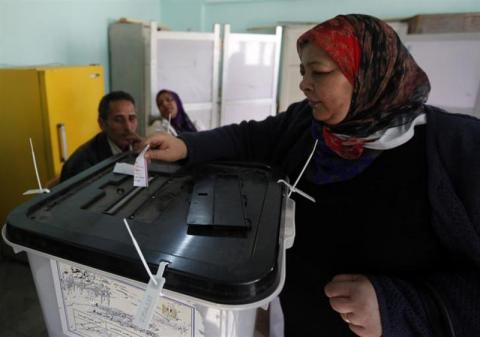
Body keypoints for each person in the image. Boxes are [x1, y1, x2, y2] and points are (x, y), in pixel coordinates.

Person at [140, 14, 480, 337]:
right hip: (298, 317)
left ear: (368, 75)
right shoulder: (309, 124)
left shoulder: (458, 151)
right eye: (304, 71)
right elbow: (249, 137)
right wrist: (186, 146)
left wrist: (400, 308)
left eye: (318, 71)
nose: (304, 84)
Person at [60, 91, 141, 182]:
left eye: (132, 118)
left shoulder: (137, 146)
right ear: (102, 124)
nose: (128, 128)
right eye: (118, 120)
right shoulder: (82, 164)